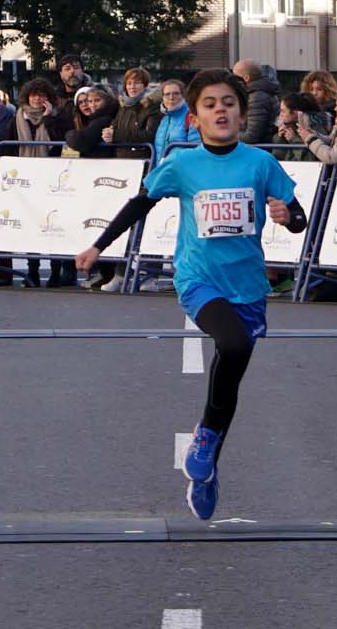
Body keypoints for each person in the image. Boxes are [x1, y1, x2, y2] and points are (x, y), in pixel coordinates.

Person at [75, 68, 307, 520]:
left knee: (231, 372)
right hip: (198, 279)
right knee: (233, 342)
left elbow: (297, 217)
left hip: (248, 286)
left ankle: (209, 457)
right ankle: (206, 438)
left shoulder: (261, 164)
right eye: (209, 104)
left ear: (240, 113)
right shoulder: (182, 164)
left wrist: (286, 216)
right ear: (195, 119)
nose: (220, 109)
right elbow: (140, 202)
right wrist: (98, 245)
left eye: (228, 102)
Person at [233, 60, 280, 143]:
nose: (232, 80)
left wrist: (226, 135)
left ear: (246, 78)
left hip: (259, 149)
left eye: (235, 77)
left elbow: (251, 136)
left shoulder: (256, 98)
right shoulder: (263, 92)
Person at [154, 77, 196, 157]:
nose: (171, 98)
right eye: (167, 94)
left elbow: (195, 148)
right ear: (162, 98)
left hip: (180, 168)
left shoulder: (191, 117)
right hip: (163, 168)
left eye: (176, 93)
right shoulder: (163, 119)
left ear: (183, 95)